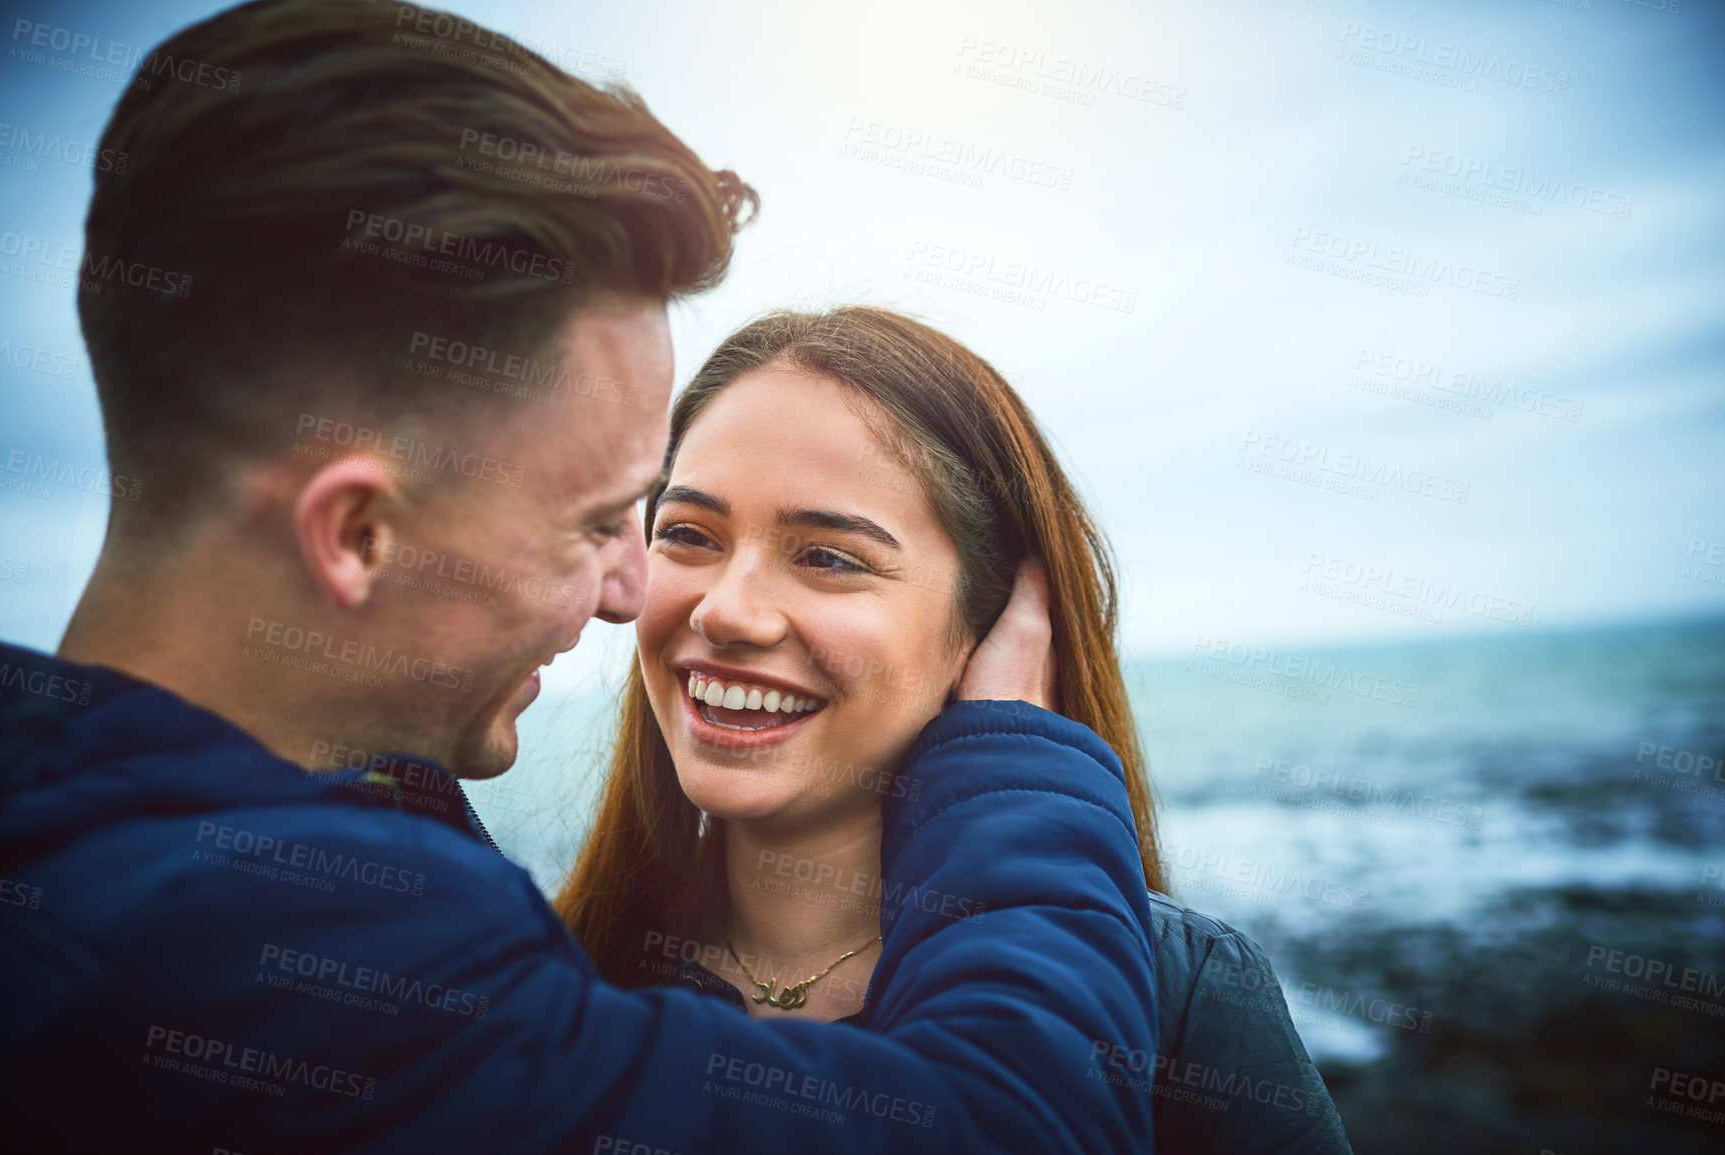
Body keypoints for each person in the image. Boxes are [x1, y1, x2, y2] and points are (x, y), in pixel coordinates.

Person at [0, 2, 1159, 1152]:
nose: (633, 590)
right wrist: (1012, 755)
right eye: (605, 521)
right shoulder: (350, 962)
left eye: (829, 556)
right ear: (353, 535)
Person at [558, 307, 1354, 1153]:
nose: (726, 610)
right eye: (686, 534)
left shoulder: (1186, 993)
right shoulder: (543, 983)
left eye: (827, 555)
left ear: (995, 621)